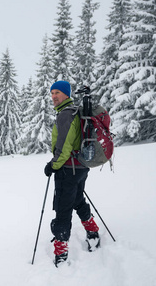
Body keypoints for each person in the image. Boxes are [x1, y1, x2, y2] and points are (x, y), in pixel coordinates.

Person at [44, 80, 100, 267]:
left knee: (63, 208)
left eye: (57, 93)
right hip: (80, 167)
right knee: (77, 199)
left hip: (68, 169)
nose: (53, 96)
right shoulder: (73, 112)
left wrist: (53, 165)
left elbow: (64, 147)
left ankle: (61, 254)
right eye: (52, 93)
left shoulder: (66, 115)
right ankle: (92, 231)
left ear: (66, 94)